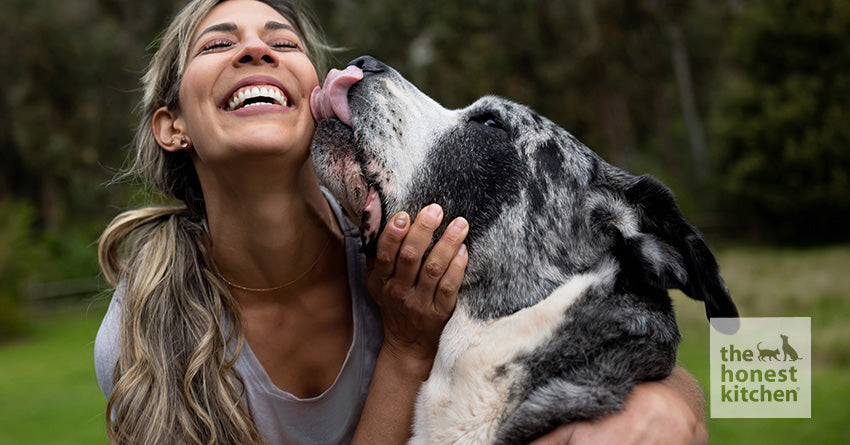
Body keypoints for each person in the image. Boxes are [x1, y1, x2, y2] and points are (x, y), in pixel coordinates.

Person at [94, 0, 708, 443]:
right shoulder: (142, 336)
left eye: (283, 43)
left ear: (316, 93)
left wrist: (669, 405)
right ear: (171, 125)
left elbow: (637, 334)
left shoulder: (421, 245)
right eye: (217, 43)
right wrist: (407, 348)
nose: (255, 49)